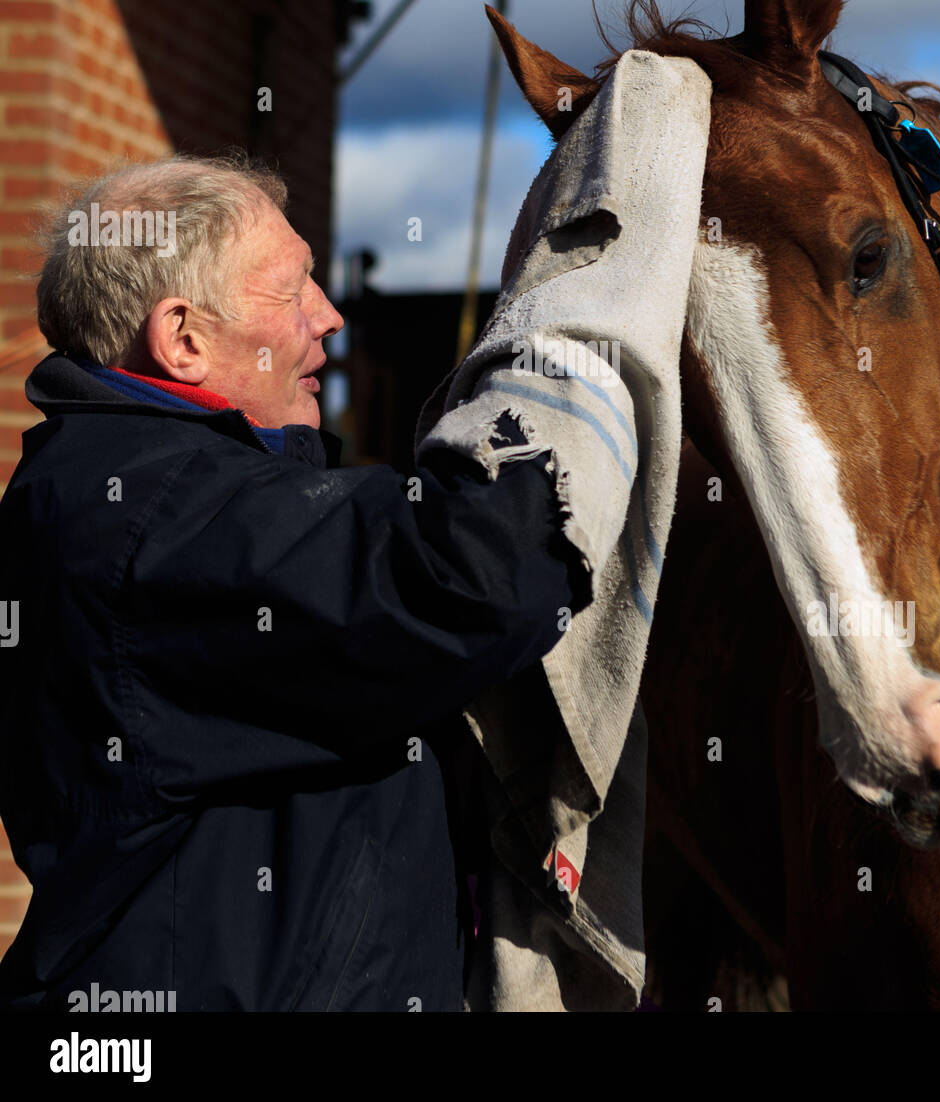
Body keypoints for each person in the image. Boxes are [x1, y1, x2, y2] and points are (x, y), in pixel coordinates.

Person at [0, 155, 594, 1012]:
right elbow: (465, 583)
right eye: (293, 289)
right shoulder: (157, 512)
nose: (330, 316)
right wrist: (567, 401)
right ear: (184, 340)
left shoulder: (119, 485)